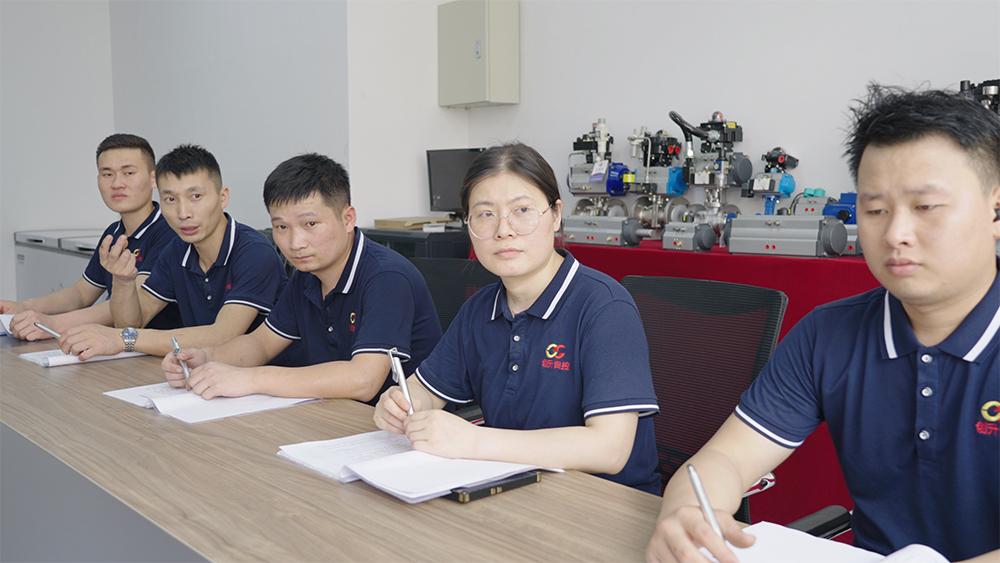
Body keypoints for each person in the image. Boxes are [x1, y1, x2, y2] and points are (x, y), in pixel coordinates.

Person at [646, 85, 1000, 563]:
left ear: (995, 209)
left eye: (925, 207)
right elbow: (726, 458)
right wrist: (686, 515)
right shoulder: (829, 335)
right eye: (875, 210)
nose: (896, 233)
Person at [373, 142, 661, 494]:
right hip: (515, 489)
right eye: (485, 214)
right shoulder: (480, 309)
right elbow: (425, 392)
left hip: (603, 502)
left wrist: (475, 441)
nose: (503, 230)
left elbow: (609, 449)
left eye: (521, 210)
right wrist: (400, 404)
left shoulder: (604, 307)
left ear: (556, 214)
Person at [158, 153, 442, 403]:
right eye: (281, 227)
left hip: (393, 430)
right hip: (330, 415)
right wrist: (207, 358)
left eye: (310, 224)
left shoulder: (387, 277)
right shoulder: (306, 276)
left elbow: (363, 380)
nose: (295, 243)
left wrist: (252, 379)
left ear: (347, 218)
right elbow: (261, 344)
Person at [57, 144, 288, 360]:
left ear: (222, 197)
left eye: (195, 197)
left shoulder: (254, 252)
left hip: (265, 378)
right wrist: (123, 281)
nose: (183, 212)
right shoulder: (177, 250)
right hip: (200, 371)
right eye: (170, 199)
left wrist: (122, 339)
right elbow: (132, 323)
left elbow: (223, 335)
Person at [1, 134, 180, 339]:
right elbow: (81, 293)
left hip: (157, 348)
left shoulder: (169, 231)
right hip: (119, 346)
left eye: (129, 173)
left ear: (153, 179)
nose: (117, 183)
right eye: (107, 174)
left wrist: (53, 324)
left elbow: (133, 303)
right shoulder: (114, 232)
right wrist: (23, 307)